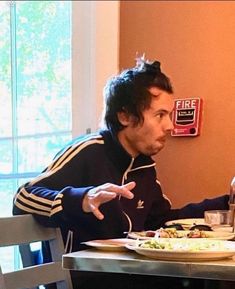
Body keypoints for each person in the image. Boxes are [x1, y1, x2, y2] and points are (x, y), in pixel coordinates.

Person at [13, 58, 229, 289]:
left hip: (126, 274)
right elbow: (23, 197)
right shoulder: (89, 150)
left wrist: (227, 202)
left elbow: (161, 221)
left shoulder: (143, 165)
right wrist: (83, 199)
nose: (170, 126)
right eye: (160, 115)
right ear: (125, 116)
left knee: (202, 282)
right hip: (80, 279)